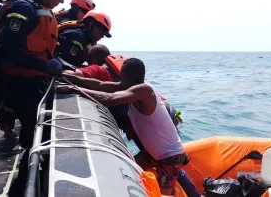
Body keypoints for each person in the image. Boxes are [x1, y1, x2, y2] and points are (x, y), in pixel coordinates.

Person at [57, 58, 198, 196]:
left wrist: (73, 89)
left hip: (170, 157)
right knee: (130, 175)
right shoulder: (129, 87)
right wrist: (71, 78)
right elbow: (100, 85)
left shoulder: (144, 91)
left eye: (121, 75)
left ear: (125, 75)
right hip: (152, 154)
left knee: (164, 194)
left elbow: (109, 99)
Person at [0, 0, 72, 196]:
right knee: (36, 135)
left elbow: (38, 47)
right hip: (15, 85)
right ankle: (23, 187)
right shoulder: (24, 8)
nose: (63, 0)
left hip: (30, 82)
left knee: (36, 132)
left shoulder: (41, 10)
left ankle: (28, 179)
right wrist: (44, 66)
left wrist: (55, 62)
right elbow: (5, 49)